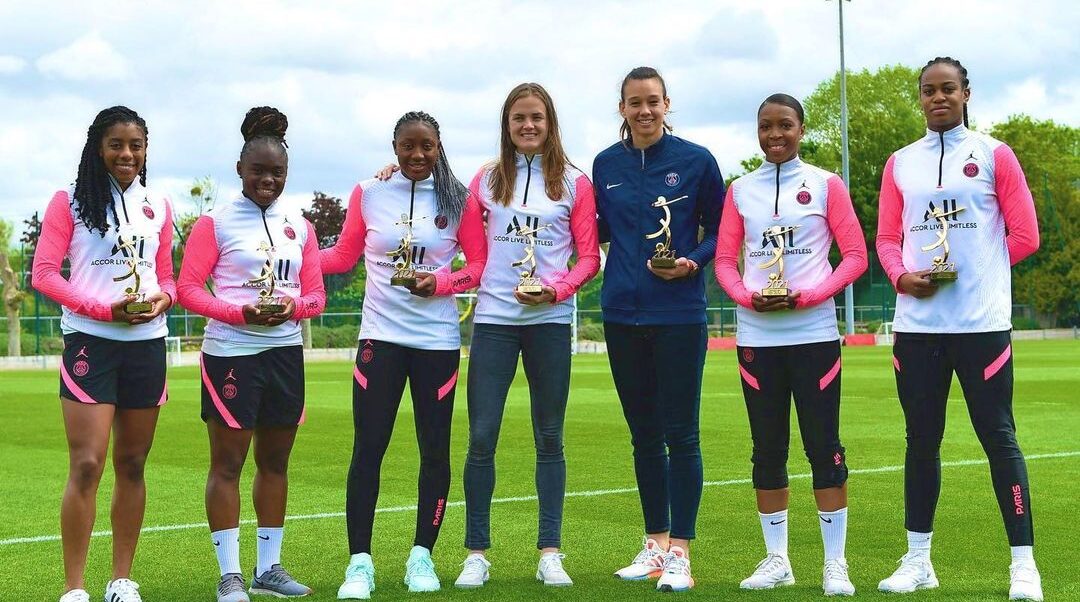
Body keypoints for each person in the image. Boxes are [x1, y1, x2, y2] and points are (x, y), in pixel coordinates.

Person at [875, 57, 1042, 601]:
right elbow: (885, 239)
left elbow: (1025, 235)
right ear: (919, 98)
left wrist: (978, 274)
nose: (938, 97)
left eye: (948, 89)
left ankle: (1023, 565)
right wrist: (902, 276)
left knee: (999, 438)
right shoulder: (900, 163)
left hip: (981, 325)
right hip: (918, 327)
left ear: (966, 93)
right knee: (921, 441)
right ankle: (919, 559)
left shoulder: (995, 155)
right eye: (928, 91)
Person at [321, 111, 486, 599]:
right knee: (368, 450)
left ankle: (422, 557)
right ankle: (360, 563)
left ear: (439, 147)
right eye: (408, 146)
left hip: (436, 343)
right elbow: (343, 256)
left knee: (434, 452)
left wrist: (440, 283)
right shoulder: (369, 193)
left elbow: (476, 266)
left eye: (427, 147)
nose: (417, 156)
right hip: (380, 340)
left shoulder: (459, 200)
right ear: (394, 147)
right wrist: (296, 247)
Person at [445, 83, 600, 589]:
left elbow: (588, 258)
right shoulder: (485, 180)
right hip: (493, 322)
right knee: (482, 437)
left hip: (550, 325)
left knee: (549, 437)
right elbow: (472, 251)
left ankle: (550, 551)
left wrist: (555, 292)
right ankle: (476, 552)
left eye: (536, 117)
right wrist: (386, 171)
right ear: (506, 126)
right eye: (518, 119)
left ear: (550, 122)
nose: (528, 126)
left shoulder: (576, 183)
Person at [715, 93, 867, 596]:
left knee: (825, 448)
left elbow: (856, 258)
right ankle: (777, 559)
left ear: (801, 129)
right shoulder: (740, 190)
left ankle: (835, 563)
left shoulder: (826, 184)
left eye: (784, 125)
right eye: (765, 126)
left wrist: (808, 296)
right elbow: (723, 262)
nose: (774, 135)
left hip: (814, 335)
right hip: (757, 337)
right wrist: (745, 296)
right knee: (767, 451)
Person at [177, 106, 326, 602]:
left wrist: (292, 308)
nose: (267, 179)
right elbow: (187, 289)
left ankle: (269, 568)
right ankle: (230, 575)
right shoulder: (213, 224)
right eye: (258, 170)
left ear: (287, 174)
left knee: (276, 463)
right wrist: (239, 315)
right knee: (227, 464)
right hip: (230, 355)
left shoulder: (300, 226)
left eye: (277, 172)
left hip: (284, 354)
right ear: (240, 170)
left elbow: (316, 297)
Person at [33, 106, 175, 602]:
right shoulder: (68, 202)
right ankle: (75, 588)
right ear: (98, 147)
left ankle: (121, 580)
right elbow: (44, 274)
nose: (127, 154)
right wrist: (100, 309)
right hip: (90, 344)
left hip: (146, 346)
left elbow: (168, 274)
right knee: (88, 463)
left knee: (132, 464)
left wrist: (165, 297)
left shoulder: (158, 202)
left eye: (136, 145)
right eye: (117, 144)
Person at [592, 66, 724, 592]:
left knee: (681, 433)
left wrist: (691, 262)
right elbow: (589, 229)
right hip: (622, 315)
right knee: (643, 435)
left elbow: (719, 230)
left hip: (679, 315)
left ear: (667, 104)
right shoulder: (605, 165)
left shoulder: (697, 161)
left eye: (653, 101)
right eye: (633, 102)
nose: (644, 111)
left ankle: (682, 555)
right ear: (621, 108)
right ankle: (655, 544)